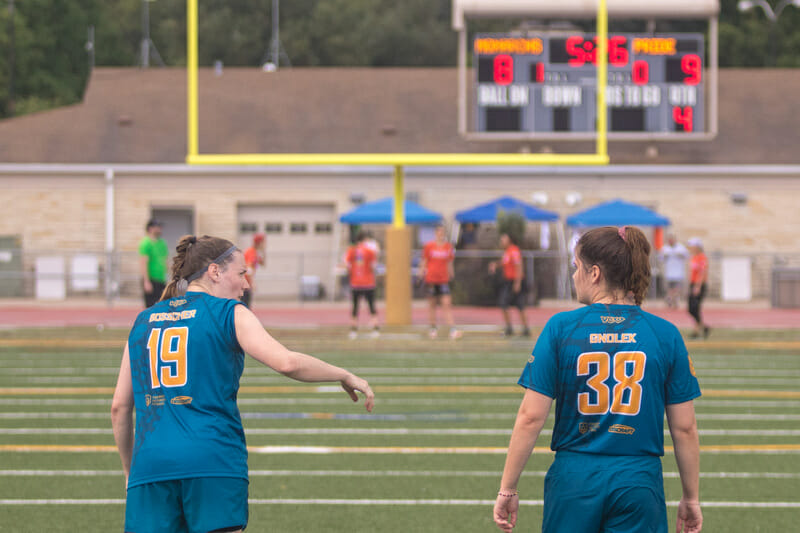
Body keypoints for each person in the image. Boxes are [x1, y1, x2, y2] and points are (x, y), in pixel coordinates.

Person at [111, 235, 374, 533]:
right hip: (212, 459)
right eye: (241, 273)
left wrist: (131, 472)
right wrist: (343, 374)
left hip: (151, 466)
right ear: (214, 272)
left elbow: (119, 408)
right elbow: (287, 362)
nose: (246, 284)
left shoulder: (143, 321)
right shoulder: (229, 313)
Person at [493, 226, 702, 533]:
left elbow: (530, 417)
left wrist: (507, 488)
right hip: (638, 479)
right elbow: (684, 427)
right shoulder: (665, 334)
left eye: (577, 267)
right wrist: (691, 497)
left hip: (574, 477)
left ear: (594, 273)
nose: (574, 275)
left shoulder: (561, 328)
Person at [419, 224, 461, 339]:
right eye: (439, 232)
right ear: (435, 233)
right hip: (432, 279)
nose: (440, 234)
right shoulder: (429, 246)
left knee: (446, 304)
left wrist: (451, 275)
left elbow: (449, 263)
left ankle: (452, 329)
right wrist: (421, 273)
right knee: (432, 304)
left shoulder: (448, 247)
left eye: (442, 232)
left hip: (443, 280)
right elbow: (424, 261)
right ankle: (433, 328)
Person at [489, 233, 530, 337]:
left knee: (520, 305)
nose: (501, 242)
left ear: (509, 240)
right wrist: (495, 265)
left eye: (503, 239)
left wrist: (517, 283)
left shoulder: (514, 250)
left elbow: (519, 266)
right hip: (508, 282)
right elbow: (504, 262)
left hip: (515, 281)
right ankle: (509, 328)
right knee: (503, 304)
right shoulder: (507, 252)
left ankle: (526, 329)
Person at [345, 231, 380, 339]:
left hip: (355, 282)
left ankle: (353, 330)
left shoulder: (352, 250)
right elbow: (373, 266)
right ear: (365, 240)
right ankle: (375, 329)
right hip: (368, 282)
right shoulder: (370, 251)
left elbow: (347, 265)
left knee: (355, 307)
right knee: (371, 306)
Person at [139, 219, 169, 308]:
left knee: (162, 305)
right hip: (151, 279)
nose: (160, 229)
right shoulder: (146, 243)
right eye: (157, 227)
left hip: (161, 278)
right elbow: (143, 262)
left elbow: (165, 260)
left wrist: (168, 277)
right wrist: (146, 281)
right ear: (150, 228)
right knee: (151, 307)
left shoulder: (162, 243)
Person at [687, 237, 711, 339]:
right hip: (693, 284)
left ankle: (696, 330)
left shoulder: (702, 257)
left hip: (699, 285)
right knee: (691, 308)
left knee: (694, 307)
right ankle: (703, 327)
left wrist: (698, 286)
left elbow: (702, 272)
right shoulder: (694, 257)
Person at [660, 234, 690, 309]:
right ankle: (671, 300)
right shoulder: (665, 248)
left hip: (678, 273)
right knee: (670, 288)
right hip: (669, 272)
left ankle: (673, 300)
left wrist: (680, 255)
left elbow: (686, 256)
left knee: (677, 288)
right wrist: (665, 256)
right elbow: (660, 258)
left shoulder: (681, 247)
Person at [241, 233, 266, 308]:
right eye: (263, 242)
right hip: (245, 283)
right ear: (259, 242)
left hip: (246, 283)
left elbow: (263, 263)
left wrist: (263, 251)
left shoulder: (255, 252)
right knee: (245, 306)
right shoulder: (251, 252)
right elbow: (248, 268)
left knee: (247, 305)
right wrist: (252, 283)